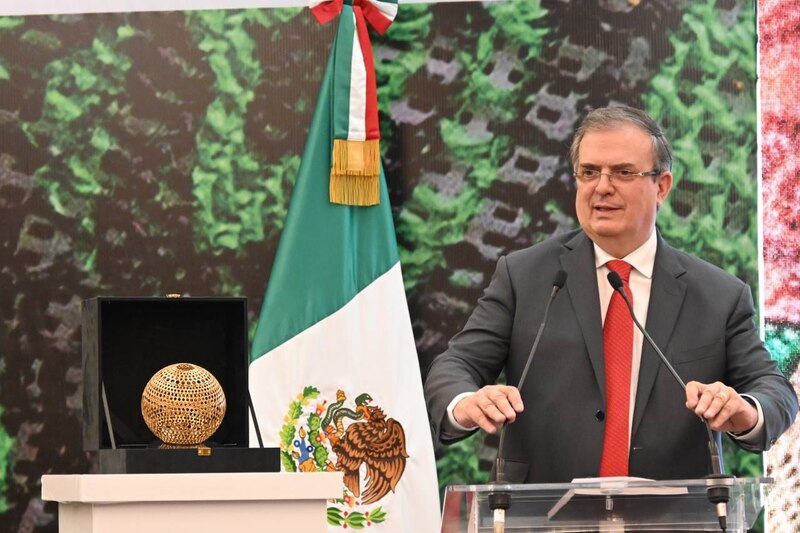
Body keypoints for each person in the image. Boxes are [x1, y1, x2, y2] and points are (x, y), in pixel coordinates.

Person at [424, 106, 798, 482]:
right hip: (544, 515)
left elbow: (774, 391)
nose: (602, 186)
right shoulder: (524, 276)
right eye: (589, 172)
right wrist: (467, 403)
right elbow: (456, 367)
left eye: (622, 172)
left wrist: (745, 411)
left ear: (662, 187)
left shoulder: (718, 295)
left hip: (671, 519)